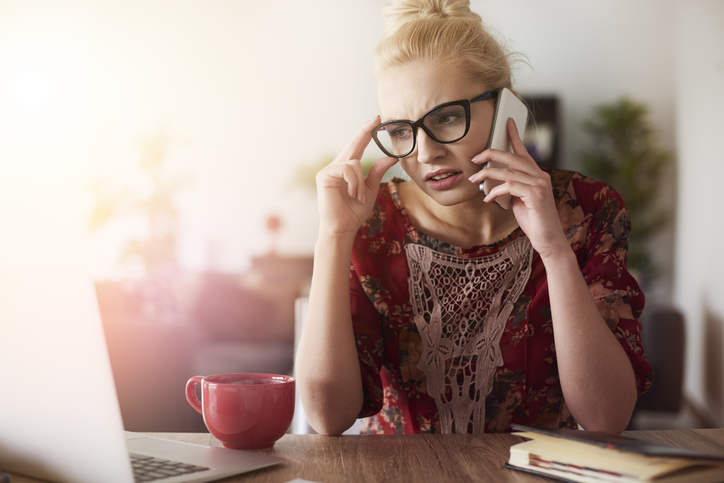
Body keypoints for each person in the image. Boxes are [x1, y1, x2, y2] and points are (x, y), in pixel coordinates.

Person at [295, 0, 652, 436]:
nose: (425, 153)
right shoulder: (371, 224)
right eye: (401, 130)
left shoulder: (589, 208)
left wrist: (555, 250)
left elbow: (605, 417)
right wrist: (333, 236)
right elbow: (327, 417)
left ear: (507, 110)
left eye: (446, 118)